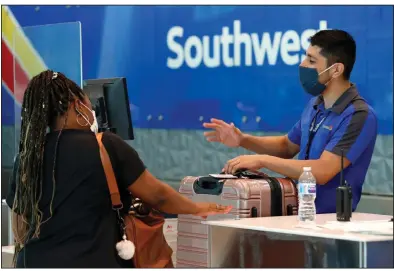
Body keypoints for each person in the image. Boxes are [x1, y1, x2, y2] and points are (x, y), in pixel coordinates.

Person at [6, 70, 232, 268]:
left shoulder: (27, 158)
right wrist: (196, 208)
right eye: (88, 103)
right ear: (77, 106)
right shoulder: (106, 146)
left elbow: (20, 226)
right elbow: (158, 196)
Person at [203, 29, 377, 214]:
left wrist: (262, 160)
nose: (302, 65)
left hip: (332, 223)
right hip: (297, 215)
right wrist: (243, 140)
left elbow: (323, 171)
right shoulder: (315, 105)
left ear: (336, 70)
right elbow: (287, 146)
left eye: (311, 60)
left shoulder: (359, 115)